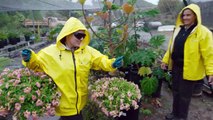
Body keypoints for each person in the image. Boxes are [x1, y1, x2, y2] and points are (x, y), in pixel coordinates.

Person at [21, 17, 123, 120]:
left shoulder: (87, 51)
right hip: (64, 105)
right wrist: (30, 58)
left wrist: (112, 63)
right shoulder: (50, 53)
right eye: (78, 35)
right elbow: (36, 64)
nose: (82, 39)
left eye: (83, 35)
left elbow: (100, 60)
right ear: (68, 34)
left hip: (80, 104)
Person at [161, 4, 213, 120]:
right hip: (176, 67)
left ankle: (182, 117)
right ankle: (174, 114)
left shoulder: (204, 33)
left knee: (185, 96)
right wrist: (165, 60)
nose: (185, 18)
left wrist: (211, 72)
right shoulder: (179, 29)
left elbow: (209, 54)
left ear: (195, 16)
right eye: (183, 15)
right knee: (176, 92)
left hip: (190, 69)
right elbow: (171, 47)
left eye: (188, 15)